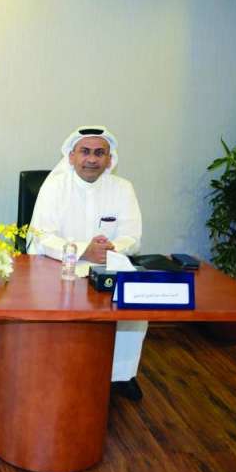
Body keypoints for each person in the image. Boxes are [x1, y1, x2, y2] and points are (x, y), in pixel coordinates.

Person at [28, 126, 146, 400]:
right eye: (85, 151)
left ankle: (120, 376)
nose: (92, 159)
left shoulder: (122, 189)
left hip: (108, 265)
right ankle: (58, 371)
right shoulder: (54, 187)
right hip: (60, 266)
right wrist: (83, 251)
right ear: (71, 156)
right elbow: (42, 237)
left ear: (109, 159)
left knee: (134, 310)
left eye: (99, 153)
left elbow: (133, 237)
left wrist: (110, 249)